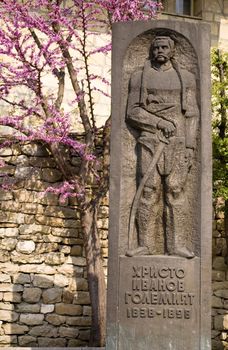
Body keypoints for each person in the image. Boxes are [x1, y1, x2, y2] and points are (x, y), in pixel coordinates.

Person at [126, 35, 199, 258]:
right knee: (149, 190)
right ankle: (145, 245)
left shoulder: (185, 78)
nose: (160, 50)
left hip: (177, 145)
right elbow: (132, 112)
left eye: (164, 47)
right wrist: (158, 122)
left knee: (176, 190)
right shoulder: (140, 77)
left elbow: (192, 114)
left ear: (172, 51)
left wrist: (189, 147)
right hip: (149, 141)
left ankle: (176, 245)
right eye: (156, 47)